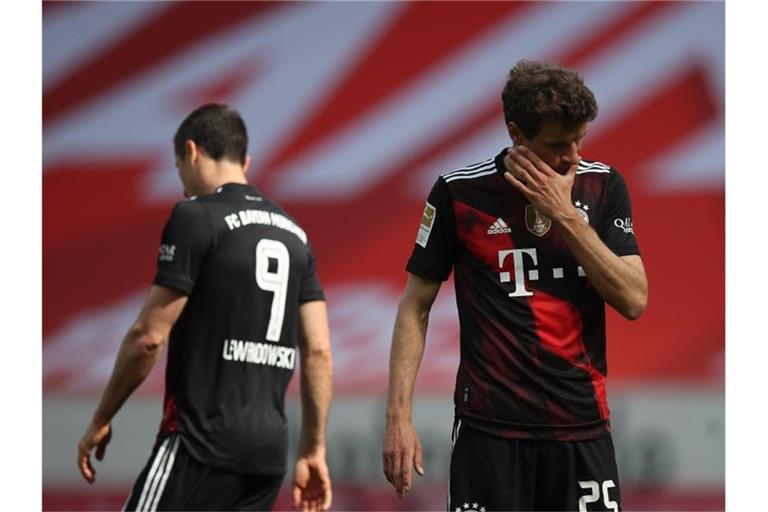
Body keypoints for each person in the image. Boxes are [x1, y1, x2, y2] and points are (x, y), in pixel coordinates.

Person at [382, 60, 647, 511]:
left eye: (580, 139)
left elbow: (633, 299)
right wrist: (397, 418)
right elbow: (415, 306)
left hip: (580, 428)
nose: (573, 156)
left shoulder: (601, 186)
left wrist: (564, 214)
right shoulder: (459, 194)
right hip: (490, 434)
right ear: (516, 134)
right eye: (558, 144)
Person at [77, 104, 333, 512]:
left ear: (191, 152)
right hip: (266, 458)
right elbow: (318, 352)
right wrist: (313, 449)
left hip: (198, 444)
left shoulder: (195, 216)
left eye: (179, 167)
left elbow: (148, 337)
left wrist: (102, 416)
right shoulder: (296, 235)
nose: (181, 184)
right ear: (244, 160)